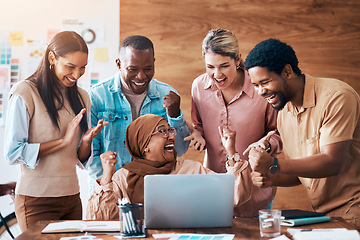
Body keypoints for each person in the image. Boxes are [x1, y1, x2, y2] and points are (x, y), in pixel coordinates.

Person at [244, 38, 360, 229]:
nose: (260, 91)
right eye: (255, 85)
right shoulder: (284, 114)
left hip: (353, 210)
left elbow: (331, 163)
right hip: (318, 215)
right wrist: (270, 178)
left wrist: (274, 163)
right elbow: (301, 172)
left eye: (265, 82)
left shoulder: (337, 97)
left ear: (287, 71)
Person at [4, 31, 107, 231]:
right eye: (70, 67)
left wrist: (85, 141)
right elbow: (13, 153)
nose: (77, 75)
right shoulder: (24, 93)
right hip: (36, 200)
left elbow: (79, 158)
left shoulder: (82, 97)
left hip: (71, 198)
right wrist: (62, 141)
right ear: (52, 58)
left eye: (82, 68)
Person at [184, 28, 282, 217]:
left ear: (237, 60)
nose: (217, 74)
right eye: (210, 67)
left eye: (224, 66)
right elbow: (200, 127)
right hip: (213, 187)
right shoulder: (198, 87)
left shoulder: (260, 88)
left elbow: (277, 132)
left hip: (255, 189)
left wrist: (265, 144)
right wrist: (198, 134)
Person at [86, 114, 252, 220]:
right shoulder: (123, 176)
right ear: (144, 145)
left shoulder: (192, 169)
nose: (171, 136)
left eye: (170, 130)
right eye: (162, 132)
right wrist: (107, 176)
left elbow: (236, 197)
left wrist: (231, 152)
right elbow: (99, 219)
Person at [87, 35, 191, 189]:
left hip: (155, 189)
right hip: (110, 188)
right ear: (119, 64)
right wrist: (108, 185)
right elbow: (90, 156)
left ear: (154, 63)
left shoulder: (167, 94)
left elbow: (179, 151)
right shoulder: (97, 97)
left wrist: (174, 116)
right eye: (132, 69)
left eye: (148, 69)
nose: (141, 76)